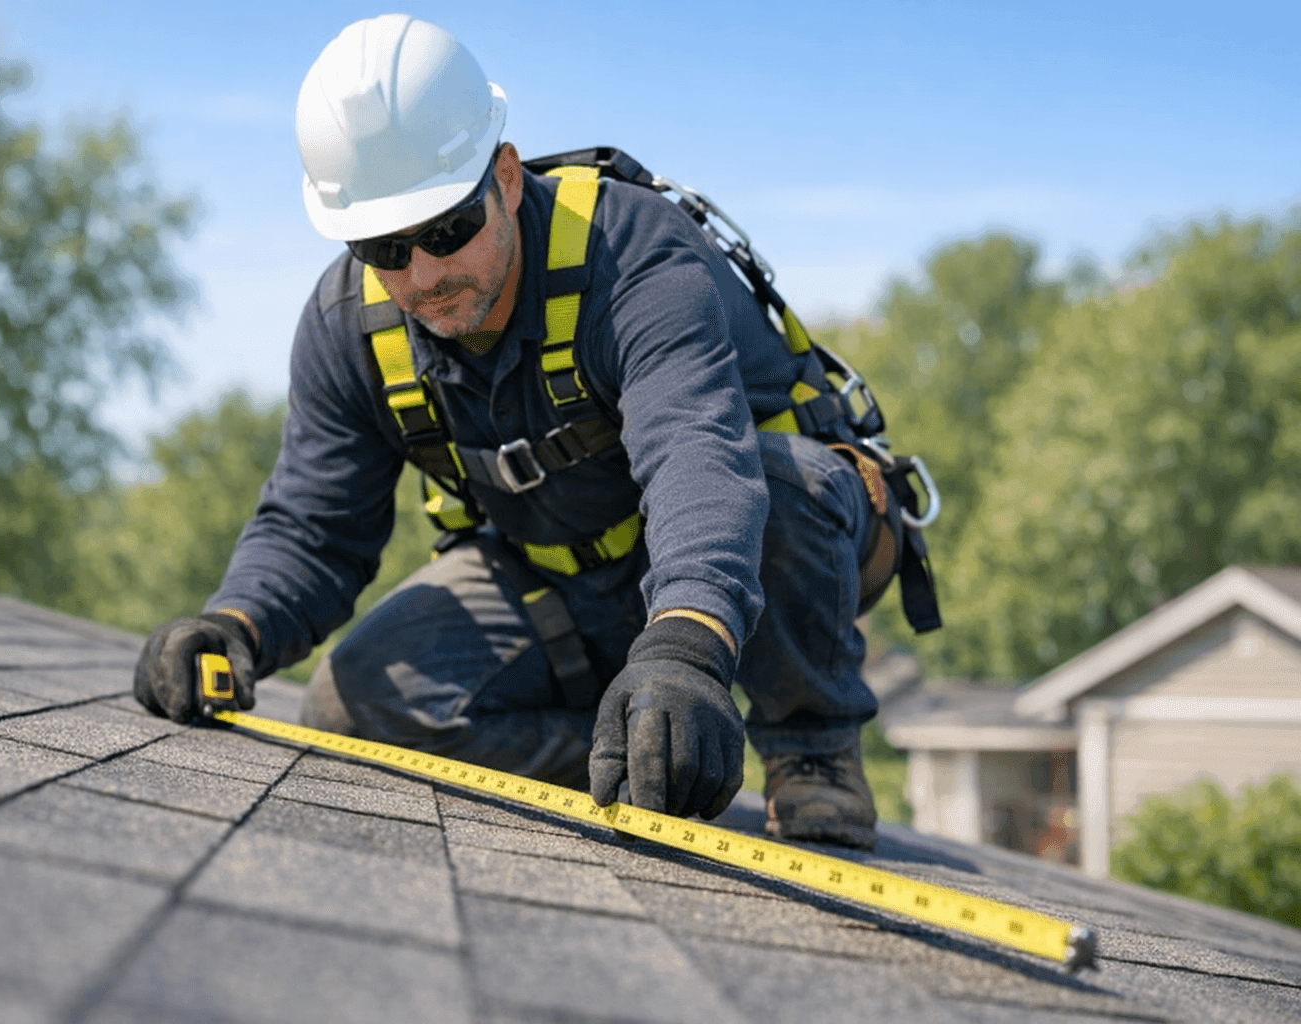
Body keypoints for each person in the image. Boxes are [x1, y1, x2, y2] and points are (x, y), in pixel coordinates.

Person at [134, 13, 922, 849]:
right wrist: (234, 625)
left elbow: (696, 459)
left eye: (446, 230)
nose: (423, 274)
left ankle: (813, 755)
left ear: (505, 178)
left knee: (784, 479)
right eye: (384, 249)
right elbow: (313, 524)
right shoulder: (347, 326)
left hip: (750, 551)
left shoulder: (632, 252)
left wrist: (687, 650)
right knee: (351, 704)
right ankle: (640, 748)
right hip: (560, 583)